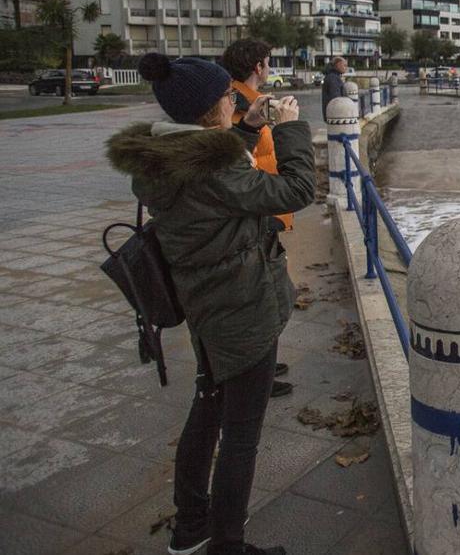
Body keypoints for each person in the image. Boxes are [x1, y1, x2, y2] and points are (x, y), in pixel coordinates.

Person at [106, 53, 314, 555]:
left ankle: (192, 523)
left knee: (208, 409)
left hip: (207, 305)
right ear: (207, 110)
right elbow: (296, 189)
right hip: (241, 308)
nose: (234, 98)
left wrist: (245, 126)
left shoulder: (168, 159)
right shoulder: (216, 172)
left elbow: (210, 169)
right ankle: (228, 543)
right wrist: (290, 129)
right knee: (241, 435)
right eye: (228, 96)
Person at [222, 39, 295, 400]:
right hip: (259, 207)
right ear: (257, 66)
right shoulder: (235, 105)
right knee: (267, 297)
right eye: (267, 62)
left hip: (264, 204)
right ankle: (258, 374)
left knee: (272, 293)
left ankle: (264, 363)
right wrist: (286, 128)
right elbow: (240, 158)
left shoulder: (249, 102)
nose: (269, 68)